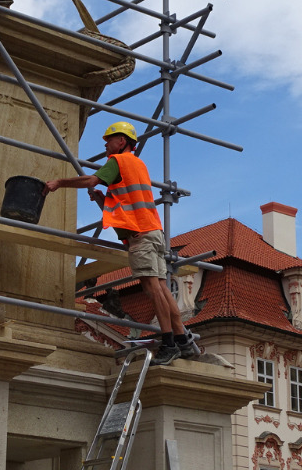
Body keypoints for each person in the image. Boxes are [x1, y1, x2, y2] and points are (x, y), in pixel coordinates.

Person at [44, 121, 195, 366]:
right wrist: (101, 200)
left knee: (152, 288)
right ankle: (183, 340)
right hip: (152, 231)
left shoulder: (118, 162)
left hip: (140, 236)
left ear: (122, 141)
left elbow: (90, 181)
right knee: (161, 287)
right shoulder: (137, 165)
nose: (105, 143)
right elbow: (121, 210)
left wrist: (59, 183)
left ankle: (168, 344)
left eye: (109, 139)